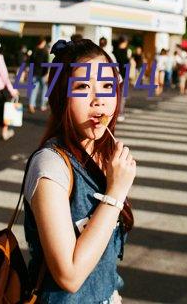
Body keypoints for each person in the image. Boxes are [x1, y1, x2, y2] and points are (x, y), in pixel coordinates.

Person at [23, 38, 135, 303]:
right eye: (83, 87)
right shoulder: (50, 167)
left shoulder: (100, 151)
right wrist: (116, 192)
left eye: (108, 86)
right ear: (62, 95)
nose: (99, 101)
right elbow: (68, 276)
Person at [28, 37, 49, 114]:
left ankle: (31, 105)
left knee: (33, 90)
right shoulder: (45, 51)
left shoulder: (34, 50)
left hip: (34, 72)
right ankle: (42, 105)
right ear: (42, 42)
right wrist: (47, 73)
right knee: (44, 89)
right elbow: (46, 63)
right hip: (42, 73)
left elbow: (30, 62)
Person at [113, 36, 130, 122]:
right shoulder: (125, 52)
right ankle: (120, 113)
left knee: (115, 96)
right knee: (122, 97)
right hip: (123, 77)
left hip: (115, 76)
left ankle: (115, 113)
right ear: (125, 42)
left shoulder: (114, 52)